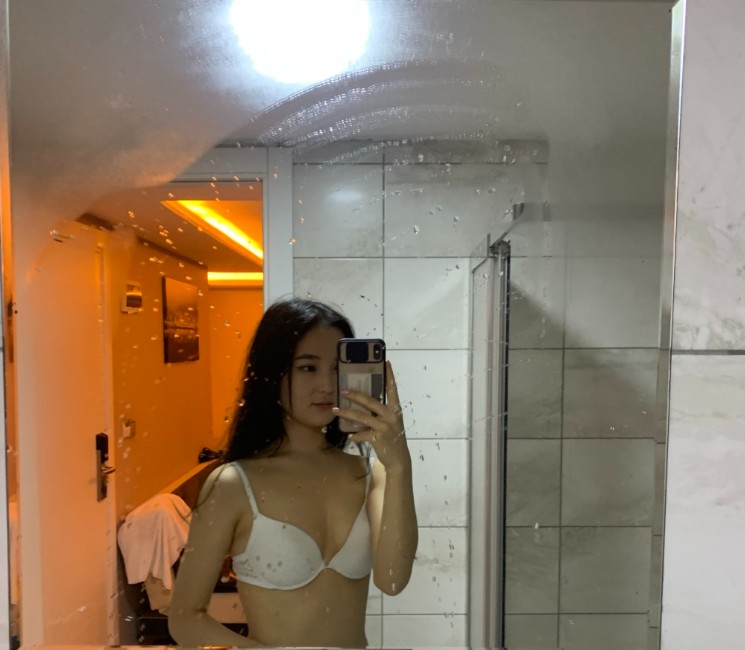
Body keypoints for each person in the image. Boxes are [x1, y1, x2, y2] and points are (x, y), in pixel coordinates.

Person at [168, 298, 418, 647]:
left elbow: (392, 580)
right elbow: (184, 619)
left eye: (337, 369)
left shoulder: (370, 474)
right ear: (273, 373)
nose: (327, 385)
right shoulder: (234, 484)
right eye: (308, 367)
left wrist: (399, 463)